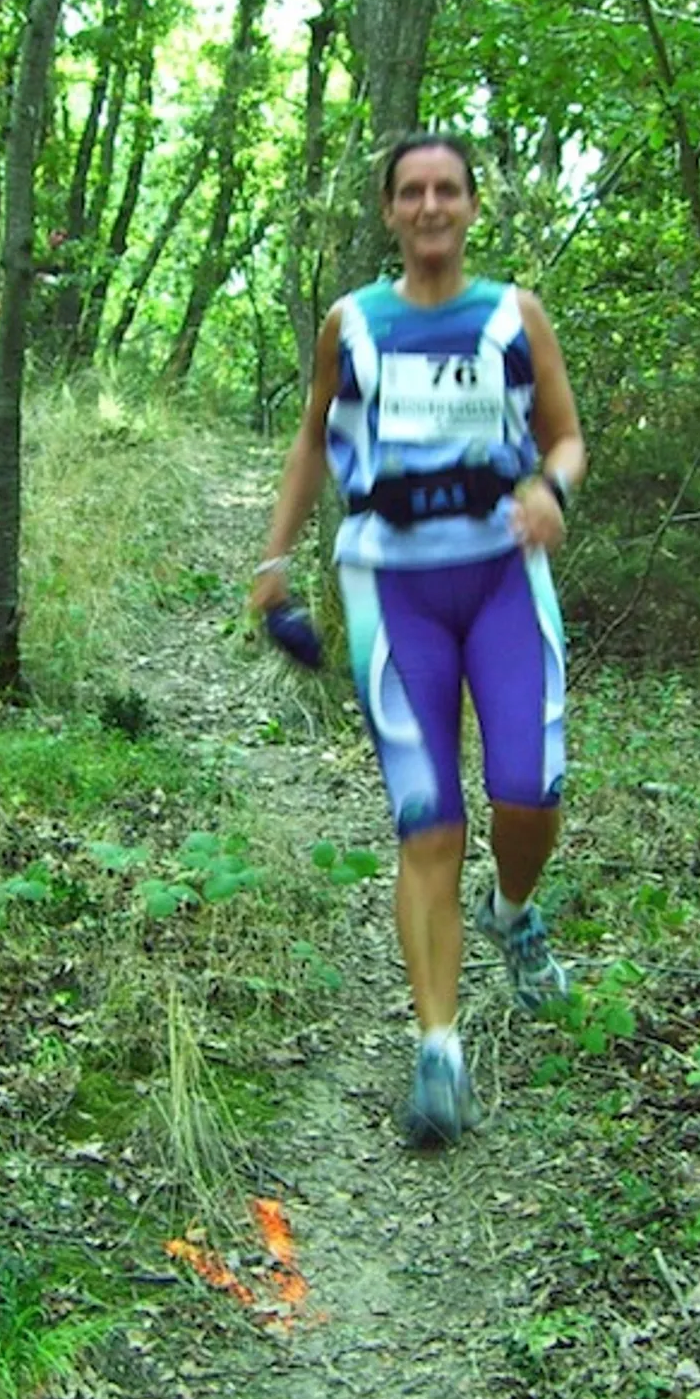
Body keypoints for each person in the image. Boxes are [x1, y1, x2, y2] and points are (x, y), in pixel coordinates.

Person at [251, 132, 587, 1148]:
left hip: (502, 576)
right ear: (390, 210)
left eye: (447, 189)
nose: (430, 205)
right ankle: (438, 1050)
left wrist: (551, 487)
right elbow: (313, 436)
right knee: (427, 819)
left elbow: (567, 435)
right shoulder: (352, 321)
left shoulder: (515, 314)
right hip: (392, 586)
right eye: (411, 191)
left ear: (473, 206)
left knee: (530, 791)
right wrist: (274, 559)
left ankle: (513, 912)